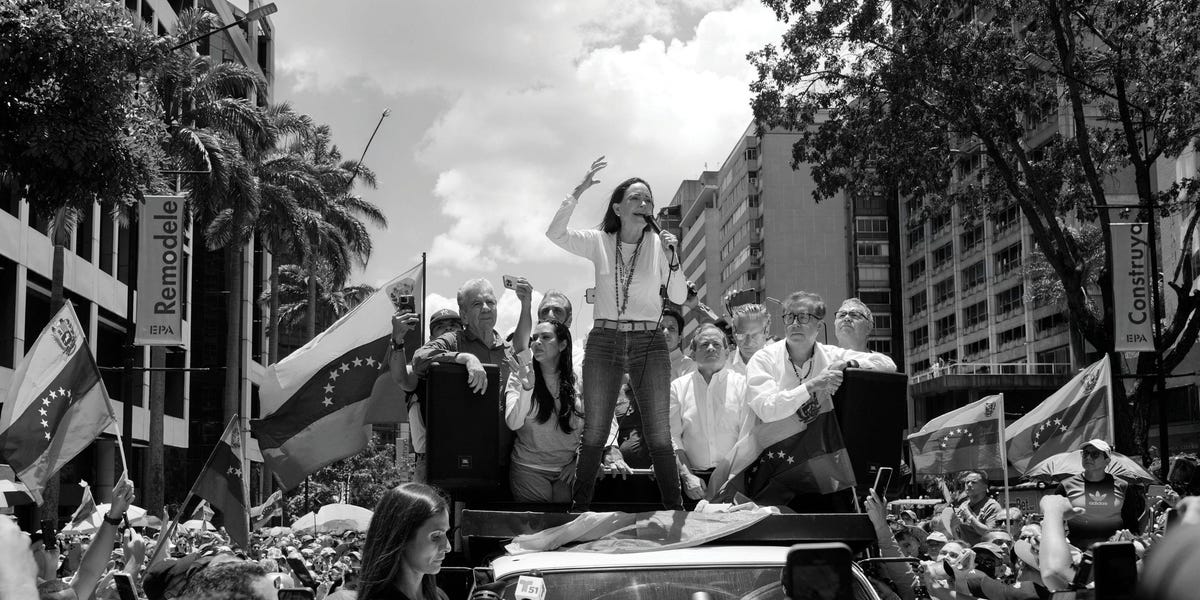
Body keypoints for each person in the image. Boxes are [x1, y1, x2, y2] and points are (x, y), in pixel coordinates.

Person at [546, 157, 688, 511]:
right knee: (595, 431)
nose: (644, 204)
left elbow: (679, 295)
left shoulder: (659, 244)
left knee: (659, 433)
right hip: (605, 340)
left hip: (648, 340)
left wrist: (673, 257)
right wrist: (577, 191)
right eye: (636, 198)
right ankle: (580, 510)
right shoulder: (600, 241)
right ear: (618, 208)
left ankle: (675, 511)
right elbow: (555, 234)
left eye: (648, 200)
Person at [744, 290, 897, 511]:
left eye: (803, 317)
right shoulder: (764, 358)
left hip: (817, 469)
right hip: (773, 466)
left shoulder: (831, 354)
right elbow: (767, 408)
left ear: (819, 325)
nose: (795, 323)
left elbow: (887, 364)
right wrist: (812, 385)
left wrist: (847, 364)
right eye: (789, 317)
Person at [504, 320, 619, 503]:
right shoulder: (520, 374)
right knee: (539, 521)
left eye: (545, 337)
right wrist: (527, 388)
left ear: (563, 345)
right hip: (528, 468)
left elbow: (596, 426)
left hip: (569, 470)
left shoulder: (581, 378)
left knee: (567, 520)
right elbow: (513, 423)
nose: (537, 342)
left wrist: (579, 461)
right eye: (534, 338)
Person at [669, 324, 750, 500]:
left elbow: (748, 436)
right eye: (704, 344)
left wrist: (735, 478)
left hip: (735, 479)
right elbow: (673, 436)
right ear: (692, 353)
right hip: (693, 483)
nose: (711, 348)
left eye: (717, 344)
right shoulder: (677, 388)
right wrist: (686, 475)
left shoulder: (743, 385)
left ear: (727, 352)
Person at [390, 308, 464, 482]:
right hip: (430, 461)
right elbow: (401, 378)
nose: (448, 329)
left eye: (454, 325)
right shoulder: (422, 370)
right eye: (440, 326)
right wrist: (397, 339)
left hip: (470, 455)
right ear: (431, 338)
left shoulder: (474, 363)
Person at [412, 279, 515, 395]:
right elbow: (419, 358)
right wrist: (465, 358)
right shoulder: (453, 341)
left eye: (490, 302)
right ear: (464, 316)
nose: (486, 308)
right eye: (477, 304)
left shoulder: (510, 351)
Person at [357, 483, 452, 600]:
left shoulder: (439, 596)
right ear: (401, 537)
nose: (448, 547)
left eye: (446, 534)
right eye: (436, 536)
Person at [1053, 438, 1137, 550]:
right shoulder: (1065, 486)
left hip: (1114, 551)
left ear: (1107, 460)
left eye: (1095, 454)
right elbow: (1054, 522)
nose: (1088, 457)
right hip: (1078, 553)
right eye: (1085, 453)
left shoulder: (1123, 486)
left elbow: (1132, 525)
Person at [951, 470, 1003, 546]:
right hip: (965, 550)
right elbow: (957, 533)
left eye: (974, 482)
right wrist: (953, 526)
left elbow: (990, 534)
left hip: (984, 550)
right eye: (967, 482)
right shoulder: (963, 505)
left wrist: (969, 516)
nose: (969, 485)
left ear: (985, 487)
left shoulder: (992, 506)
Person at [728, 304, 770, 376]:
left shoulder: (781, 364)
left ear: (766, 332)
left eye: (755, 335)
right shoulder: (724, 367)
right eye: (742, 335)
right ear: (734, 333)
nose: (748, 343)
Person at [660, 308, 695, 379]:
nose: (665, 332)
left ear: (679, 337)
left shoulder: (688, 366)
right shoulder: (644, 363)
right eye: (661, 328)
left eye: (671, 328)